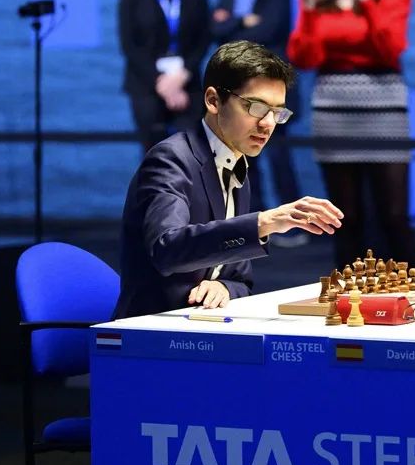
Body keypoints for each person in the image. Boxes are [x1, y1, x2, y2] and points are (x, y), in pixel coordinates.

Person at [113, 41, 343, 319]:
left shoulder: (235, 161)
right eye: (256, 107)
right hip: (151, 328)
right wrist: (264, 222)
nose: (268, 123)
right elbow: (167, 249)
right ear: (213, 100)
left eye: (277, 112)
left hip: (202, 324)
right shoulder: (172, 159)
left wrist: (223, 286)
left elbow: (240, 279)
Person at [287, 0, 415, 268]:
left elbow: (392, 48)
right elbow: (304, 58)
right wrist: (308, 5)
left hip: (385, 107)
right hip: (333, 109)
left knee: (394, 215)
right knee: (345, 219)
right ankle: (350, 294)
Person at [212, 0, 305, 249]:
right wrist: (243, 20)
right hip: (238, 91)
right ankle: (253, 224)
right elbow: (215, 29)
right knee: (243, 159)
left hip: (270, 89)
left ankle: (294, 226)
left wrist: (232, 25)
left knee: (279, 157)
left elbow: (270, 29)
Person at [118, 0, 211, 154]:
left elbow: (203, 38)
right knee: (154, 154)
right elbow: (129, 43)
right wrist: (161, 82)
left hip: (187, 82)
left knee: (191, 153)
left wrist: (182, 75)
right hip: (146, 85)